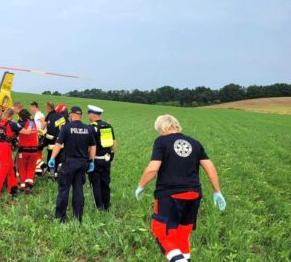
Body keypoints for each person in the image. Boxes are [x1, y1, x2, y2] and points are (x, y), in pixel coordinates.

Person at [135, 115, 226, 262]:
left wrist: (141, 185)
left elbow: (153, 168)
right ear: (176, 125)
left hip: (170, 195)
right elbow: (210, 168)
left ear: (162, 128)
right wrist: (217, 191)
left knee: (160, 231)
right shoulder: (195, 143)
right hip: (194, 194)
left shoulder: (161, 141)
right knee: (182, 234)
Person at [48, 106, 96, 222]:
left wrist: (52, 158)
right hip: (82, 163)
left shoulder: (66, 128)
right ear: (80, 115)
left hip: (69, 163)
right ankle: (77, 217)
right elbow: (93, 146)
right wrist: (92, 161)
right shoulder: (87, 129)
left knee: (64, 190)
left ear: (71, 114)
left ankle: (60, 218)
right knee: (78, 190)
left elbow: (58, 144)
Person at [0, 108, 23, 200]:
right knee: (3, 172)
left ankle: (12, 189)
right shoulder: (11, 124)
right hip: (6, 148)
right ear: (11, 116)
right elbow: (25, 131)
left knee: (10, 168)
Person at [87, 104, 117, 211]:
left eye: (88, 113)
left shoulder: (91, 128)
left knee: (95, 184)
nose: (88, 115)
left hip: (95, 160)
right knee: (105, 183)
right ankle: (107, 205)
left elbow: (90, 147)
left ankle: (98, 207)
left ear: (93, 115)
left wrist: (89, 160)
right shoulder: (107, 126)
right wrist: (111, 155)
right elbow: (113, 144)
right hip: (106, 159)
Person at [16, 109, 40, 193]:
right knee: (31, 167)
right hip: (34, 150)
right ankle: (29, 182)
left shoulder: (19, 125)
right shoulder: (33, 124)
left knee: (22, 167)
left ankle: (23, 185)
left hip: (23, 150)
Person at [43, 101, 67, 178]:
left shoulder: (51, 117)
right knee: (59, 160)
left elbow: (51, 132)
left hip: (52, 144)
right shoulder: (62, 117)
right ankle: (58, 174)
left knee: (51, 160)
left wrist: (44, 141)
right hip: (61, 144)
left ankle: (52, 174)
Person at [30, 102, 46, 175]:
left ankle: (43, 167)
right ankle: (39, 170)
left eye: (32, 107)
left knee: (36, 153)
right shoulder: (37, 115)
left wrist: (40, 132)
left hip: (39, 136)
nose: (31, 109)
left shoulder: (39, 114)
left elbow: (44, 123)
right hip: (39, 136)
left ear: (35, 107)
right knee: (38, 153)